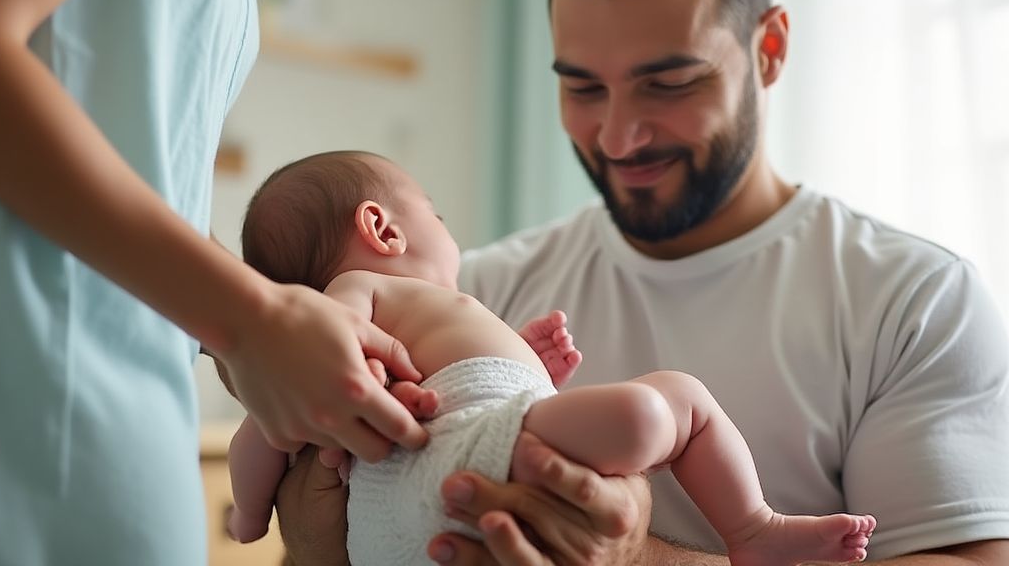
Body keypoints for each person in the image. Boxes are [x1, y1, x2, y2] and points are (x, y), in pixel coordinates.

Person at [275, 0, 1009, 565]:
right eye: (584, 89)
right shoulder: (467, 298)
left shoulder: (915, 301)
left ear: (770, 50)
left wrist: (640, 561)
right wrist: (313, 547)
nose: (618, 138)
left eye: (668, 83)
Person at [230, 149, 876, 566]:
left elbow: (263, 426)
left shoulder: (410, 319)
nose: (450, 234)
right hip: (472, 455)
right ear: (384, 229)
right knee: (670, 404)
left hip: (384, 533)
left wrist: (252, 513)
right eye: (439, 215)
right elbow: (333, 351)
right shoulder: (364, 293)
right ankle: (753, 527)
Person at [0, 0, 428, 564]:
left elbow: (160, 185)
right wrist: (249, 321)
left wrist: (252, 334)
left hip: (128, 425)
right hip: (26, 399)